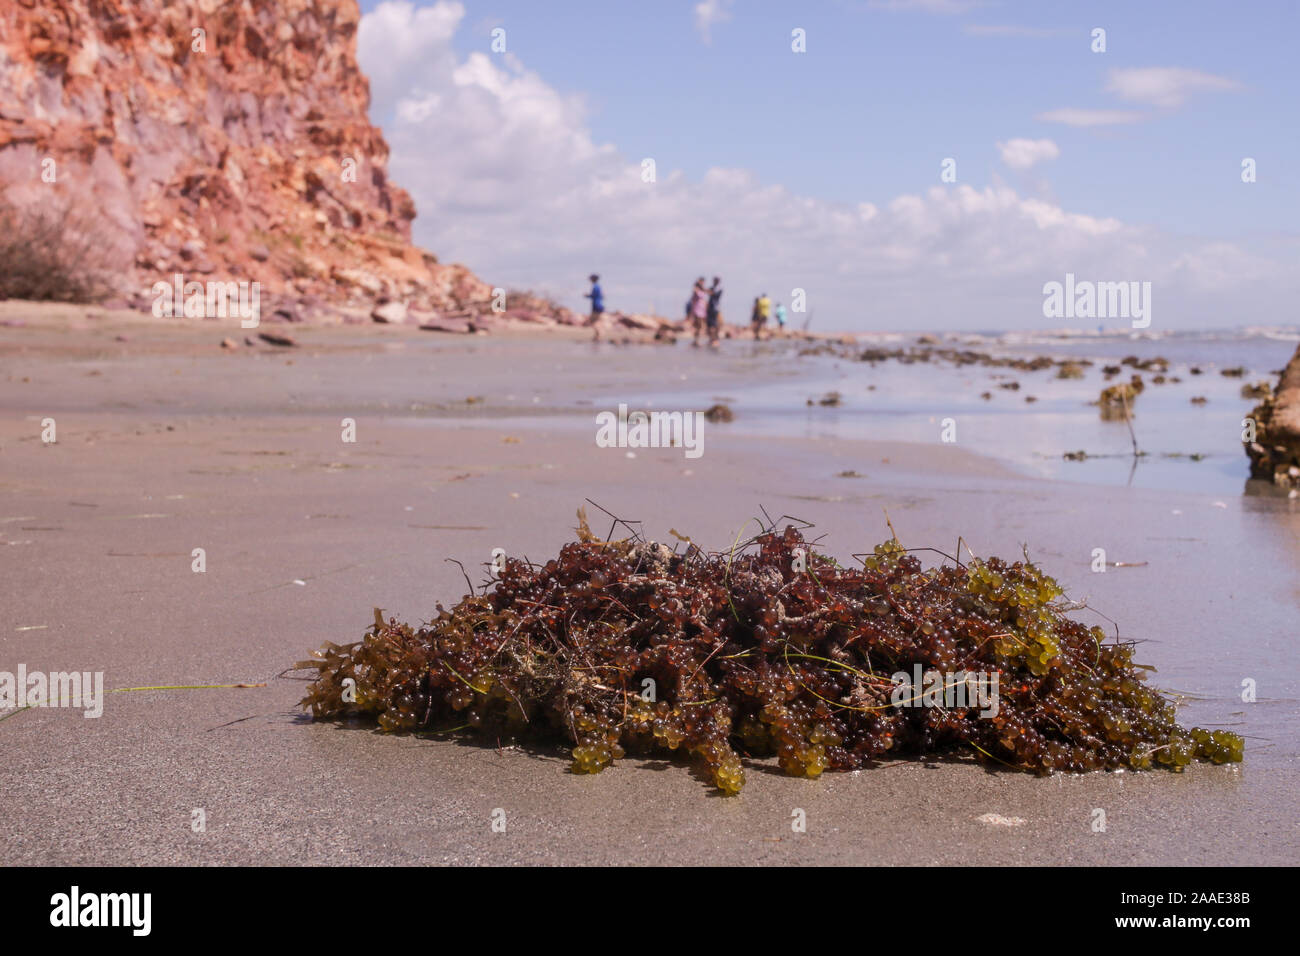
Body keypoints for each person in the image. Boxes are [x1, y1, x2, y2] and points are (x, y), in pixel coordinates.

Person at [688, 277, 708, 346]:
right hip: (697, 309)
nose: (702, 283)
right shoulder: (696, 289)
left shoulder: (703, 289)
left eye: (703, 282)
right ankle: (696, 340)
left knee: (700, 326)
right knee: (698, 325)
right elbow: (693, 298)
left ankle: (696, 340)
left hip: (702, 310)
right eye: (701, 282)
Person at [585, 273, 604, 341]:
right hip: (599, 305)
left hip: (596, 306)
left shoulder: (596, 286)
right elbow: (601, 296)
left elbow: (594, 295)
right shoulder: (598, 286)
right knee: (597, 320)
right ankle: (597, 336)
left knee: (593, 321)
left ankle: (599, 335)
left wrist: (587, 295)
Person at [705, 276, 723, 347]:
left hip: (715, 308)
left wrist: (708, 291)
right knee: (709, 325)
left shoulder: (719, 289)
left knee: (714, 325)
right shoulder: (711, 288)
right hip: (710, 308)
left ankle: (715, 339)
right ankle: (711, 339)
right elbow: (708, 292)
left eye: (716, 280)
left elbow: (715, 295)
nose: (715, 281)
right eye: (715, 280)